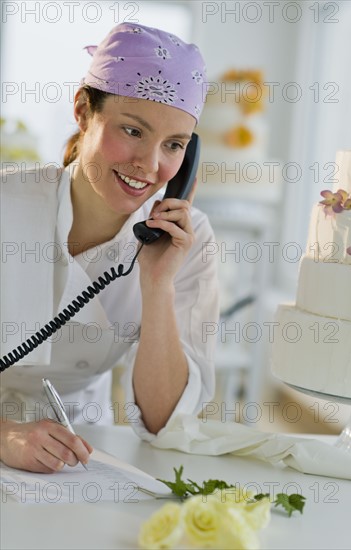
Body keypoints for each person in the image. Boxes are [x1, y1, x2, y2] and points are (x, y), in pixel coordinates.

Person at [0, 23, 219, 473]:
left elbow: (164, 423)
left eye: (174, 145)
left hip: (77, 452)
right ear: (83, 110)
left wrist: (157, 283)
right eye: (133, 131)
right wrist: (5, 435)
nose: (152, 166)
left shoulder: (186, 240)